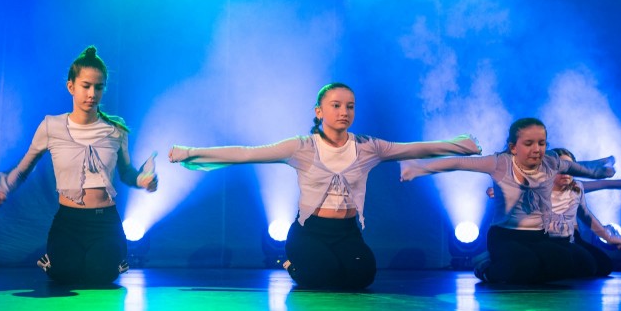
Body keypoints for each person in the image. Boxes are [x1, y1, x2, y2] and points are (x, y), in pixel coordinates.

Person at [168, 82, 481, 290]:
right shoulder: (302, 147)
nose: (344, 112)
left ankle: (323, 265)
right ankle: (292, 262)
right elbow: (247, 154)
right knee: (322, 277)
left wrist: (460, 145)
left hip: (346, 232)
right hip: (311, 231)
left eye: (350, 106)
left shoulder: (367, 147)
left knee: (361, 277)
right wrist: (190, 153)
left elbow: (414, 148)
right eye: (336, 105)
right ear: (319, 112)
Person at [0, 46, 158, 286]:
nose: (92, 93)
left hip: (104, 221)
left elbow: (127, 173)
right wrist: (4, 189)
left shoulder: (115, 129)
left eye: (99, 87)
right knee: (65, 273)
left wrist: (143, 180)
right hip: (69, 221)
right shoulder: (51, 126)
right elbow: (23, 169)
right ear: (71, 87)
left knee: (100, 274)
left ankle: (113, 261)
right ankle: (55, 261)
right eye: (86, 86)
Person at [400, 117, 616, 284]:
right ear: (514, 147)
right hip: (505, 236)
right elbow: (459, 163)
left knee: (564, 262)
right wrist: (419, 167)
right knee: (523, 266)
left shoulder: (550, 162)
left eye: (541, 143)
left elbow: (575, 167)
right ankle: (485, 267)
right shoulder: (500, 163)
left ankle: (521, 266)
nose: (536, 149)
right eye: (529, 143)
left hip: (537, 237)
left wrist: (600, 169)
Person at [545, 147, 621, 278]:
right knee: (578, 263)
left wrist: (609, 238)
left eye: (571, 168)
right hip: (547, 238)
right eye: (562, 168)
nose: (566, 172)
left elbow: (586, 215)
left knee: (604, 265)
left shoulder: (576, 188)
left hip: (571, 238)